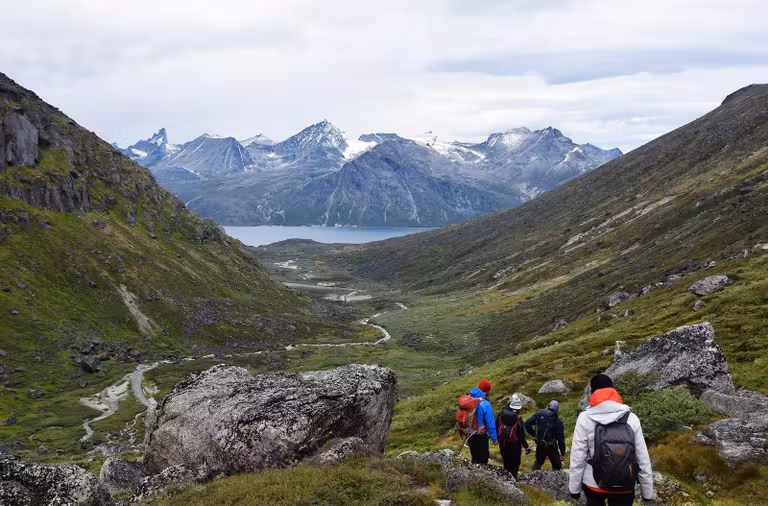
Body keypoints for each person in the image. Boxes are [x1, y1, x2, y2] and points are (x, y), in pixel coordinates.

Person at [569, 374, 654, 505]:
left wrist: (574, 489)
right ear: (613, 390)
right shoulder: (631, 418)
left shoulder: (584, 418)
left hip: (593, 483)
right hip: (625, 483)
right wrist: (647, 492)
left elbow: (577, 456)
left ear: (592, 392)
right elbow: (642, 457)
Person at [496, 393, 531, 478]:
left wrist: (498, 439)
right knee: (515, 465)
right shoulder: (518, 419)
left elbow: (496, 427)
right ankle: (513, 482)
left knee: (506, 463)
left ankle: (505, 480)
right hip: (514, 446)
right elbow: (521, 436)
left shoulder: (501, 415)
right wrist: (526, 447)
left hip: (502, 443)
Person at [525, 399, 566, 470]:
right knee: (557, 466)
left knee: (538, 462)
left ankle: (532, 478)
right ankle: (556, 480)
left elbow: (527, 424)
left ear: (548, 406)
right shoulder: (558, 421)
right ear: (557, 409)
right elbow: (561, 439)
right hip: (551, 446)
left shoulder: (539, 414)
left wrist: (534, 434)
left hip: (540, 444)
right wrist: (562, 453)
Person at [465, 379, 497, 464]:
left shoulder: (469, 397)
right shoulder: (485, 403)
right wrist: (494, 438)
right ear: (488, 390)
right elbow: (490, 423)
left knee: (474, 457)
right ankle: (479, 477)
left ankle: (472, 475)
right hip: (481, 436)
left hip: (469, 434)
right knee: (483, 460)